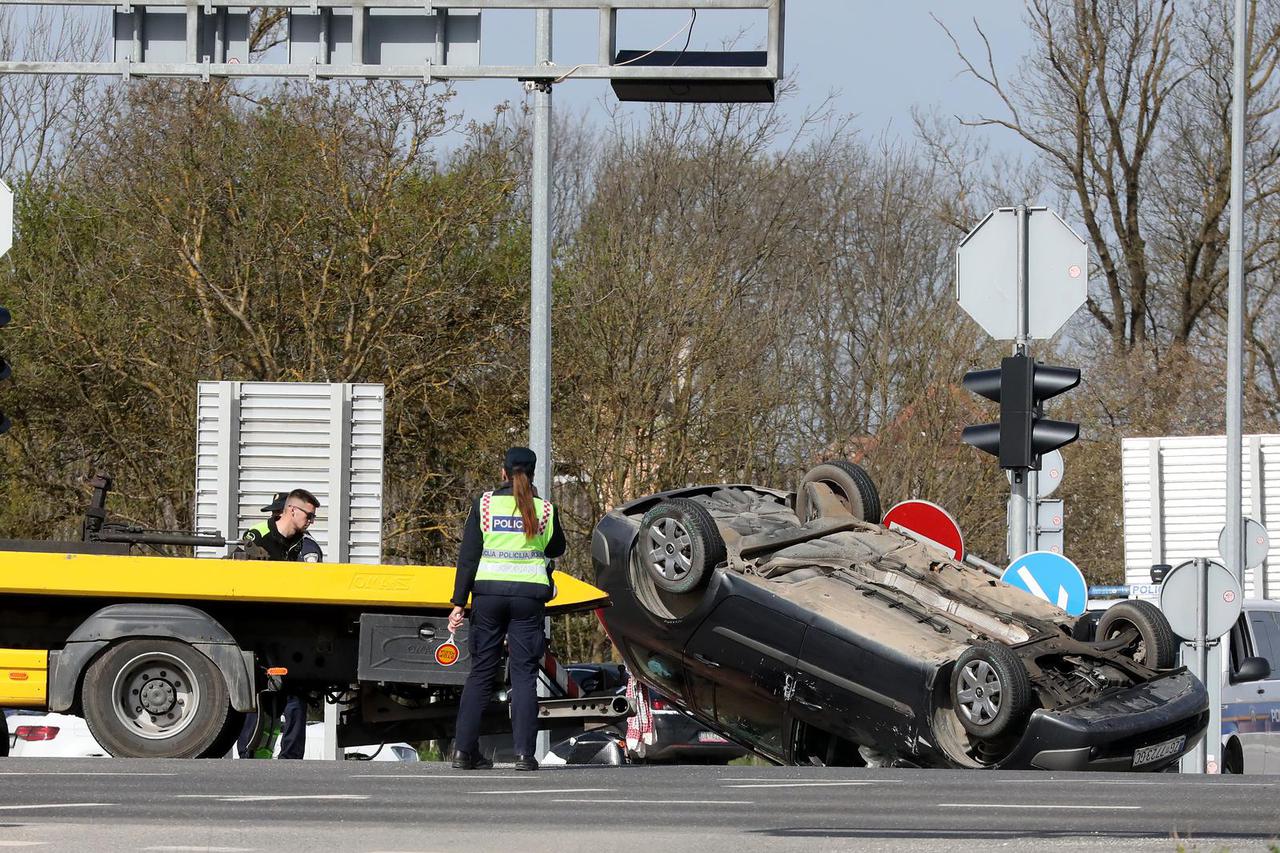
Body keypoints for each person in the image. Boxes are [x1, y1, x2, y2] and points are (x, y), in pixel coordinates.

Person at [449, 447, 565, 772]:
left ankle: (463, 752)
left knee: (481, 673)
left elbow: (469, 556)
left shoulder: (484, 504)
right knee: (525, 675)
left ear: (503, 472)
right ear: (532, 474)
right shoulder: (544, 510)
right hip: (528, 597)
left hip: (487, 596)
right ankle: (525, 755)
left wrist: (459, 603)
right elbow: (558, 548)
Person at [235, 488, 322, 759]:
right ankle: (251, 754)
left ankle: (291, 758)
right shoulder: (256, 537)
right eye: (309, 515)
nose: (311, 521)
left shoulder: (306, 546)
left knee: (295, 696)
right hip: (258, 629)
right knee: (260, 694)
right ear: (292, 510)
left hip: (293, 633)